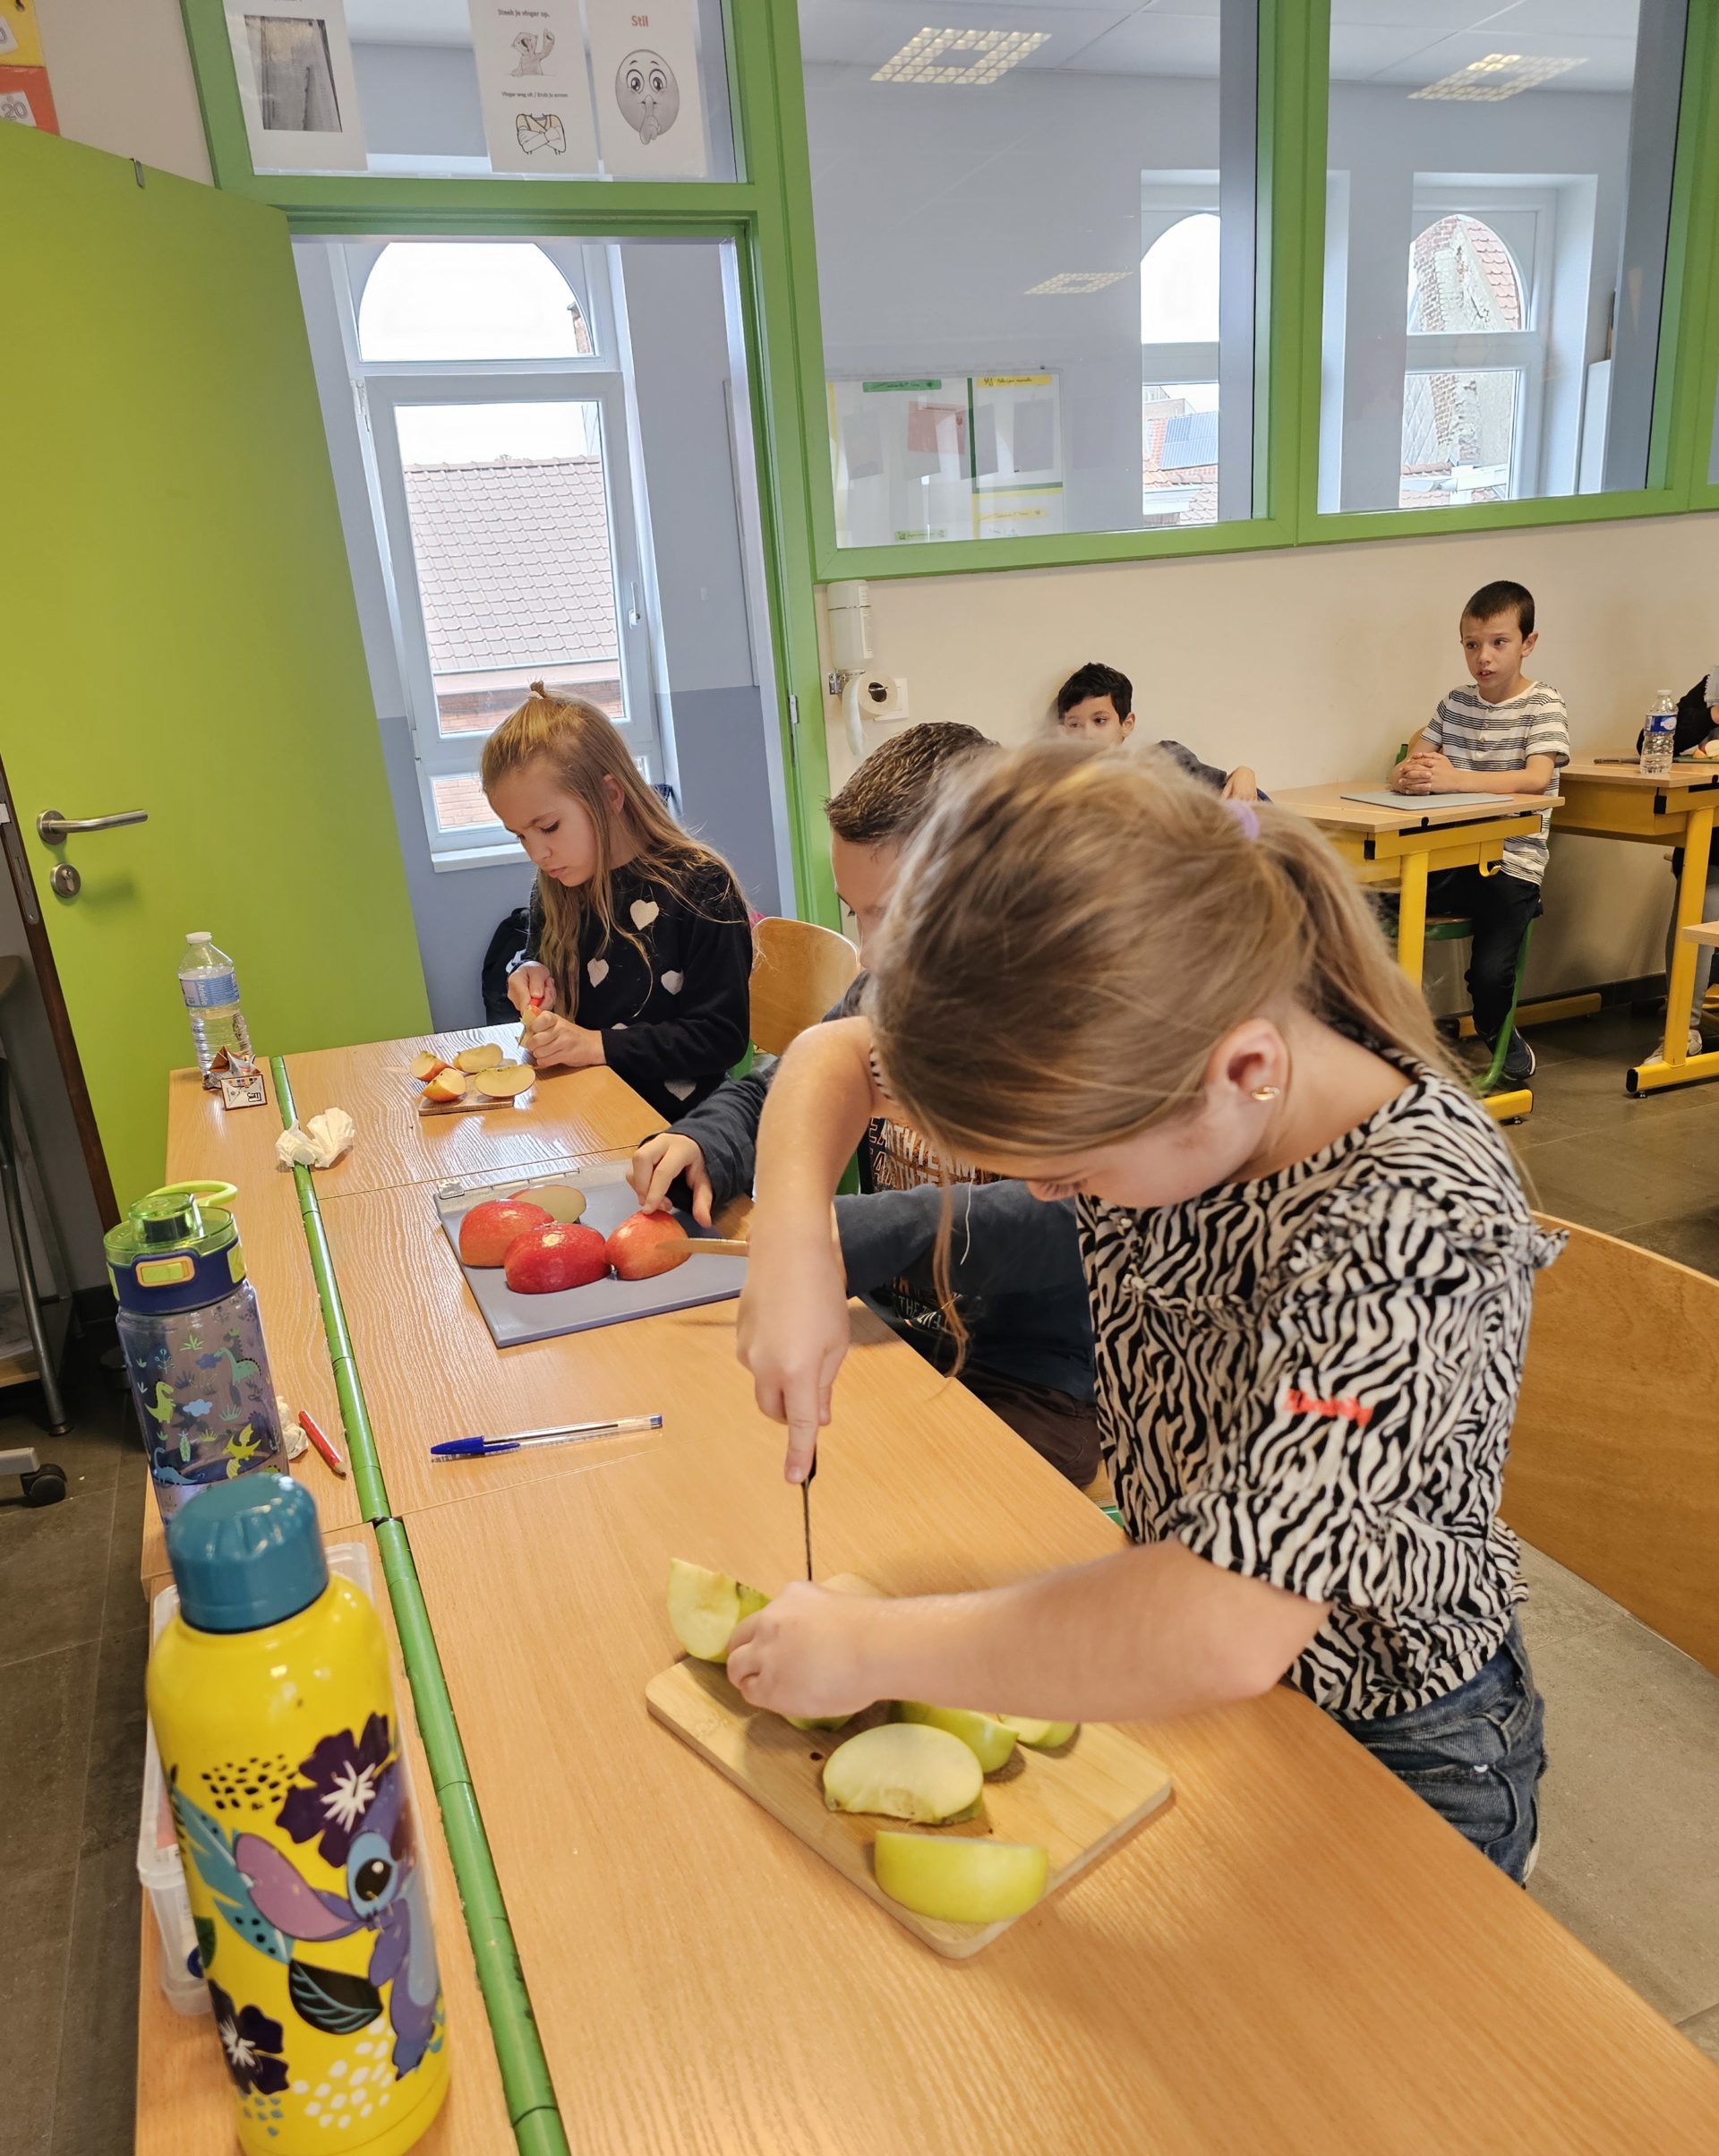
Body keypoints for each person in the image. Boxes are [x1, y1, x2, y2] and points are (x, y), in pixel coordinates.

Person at [728, 746, 1560, 1884]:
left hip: (1397, 1736)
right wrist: (796, 1240)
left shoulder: (1414, 1217)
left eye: (1073, 1174)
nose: (1052, 1195)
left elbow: (1224, 1622)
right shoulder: (1168, 1045)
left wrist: (869, 1647)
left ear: (1245, 1072)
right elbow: (839, 1055)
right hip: (1198, 1668)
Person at [630, 722, 1099, 1484]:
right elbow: (795, 1078)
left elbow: (1081, 1215)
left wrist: (864, 1230)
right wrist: (708, 1141)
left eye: (898, 913)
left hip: (1030, 1376)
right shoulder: (891, 984)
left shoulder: (1073, 1015)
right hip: (890, 1325)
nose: (873, 952)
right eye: (858, 913)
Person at [483, 684, 752, 1120]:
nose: (537, 853)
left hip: (682, 1131)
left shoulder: (701, 887)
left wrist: (596, 1045)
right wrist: (530, 971)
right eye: (520, 836)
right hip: (589, 1112)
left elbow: (721, 1038)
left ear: (610, 796)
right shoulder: (557, 884)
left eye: (548, 827)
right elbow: (539, 960)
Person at [1390, 579, 1569, 1085]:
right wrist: (1405, 776)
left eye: (1498, 642)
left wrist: (1455, 780)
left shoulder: (1543, 704)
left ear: (1528, 643)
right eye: (1471, 645)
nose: (1483, 657)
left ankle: (1497, 1031)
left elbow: (1536, 779)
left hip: (1511, 864)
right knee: (1363, 908)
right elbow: (1416, 755)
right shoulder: (1455, 703)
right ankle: (1389, 1037)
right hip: (1450, 857)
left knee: (1488, 974)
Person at [1635, 670, 1719, 1057]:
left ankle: (1684, 1025)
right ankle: (1683, 1025)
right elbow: (1649, 743)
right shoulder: (1713, 686)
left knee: (1704, 882)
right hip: (1711, 836)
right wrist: (1712, 715)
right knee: (1700, 876)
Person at [1055, 661, 1260, 801]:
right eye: (1074, 725)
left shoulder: (1166, 759)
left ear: (1127, 724)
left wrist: (1244, 773)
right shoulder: (1065, 792)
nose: (1087, 735)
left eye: (1100, 721)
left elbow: (1238, 796)